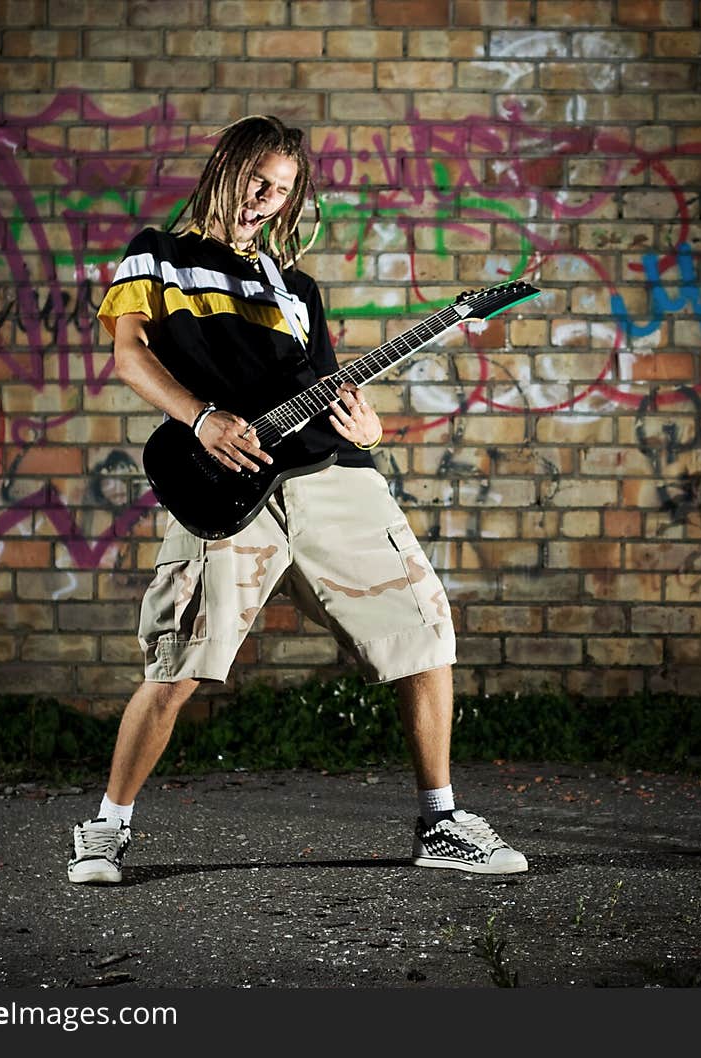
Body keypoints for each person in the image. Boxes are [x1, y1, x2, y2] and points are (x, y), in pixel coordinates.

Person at [68, 115, 527, 884]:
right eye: (257, 182)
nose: (266, 200)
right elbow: (128, 354)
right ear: (225, 167)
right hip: (220, 474)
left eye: (280, 192)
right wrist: (203, 417)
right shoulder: (159, 255)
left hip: (328, 475)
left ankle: (443, 821)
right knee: (179, 661)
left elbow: (328, 388)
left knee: (424, 629)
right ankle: (106, 829)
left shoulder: (295, 288)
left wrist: (370, 427)